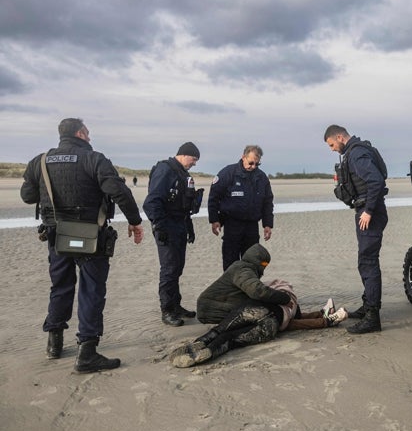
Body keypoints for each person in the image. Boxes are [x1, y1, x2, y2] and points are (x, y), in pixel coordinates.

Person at [20, 118, 144, 373]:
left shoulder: (40, 161)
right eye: (88, 133)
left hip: (57, 235)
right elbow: (119, 191)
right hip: (90, 235)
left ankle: (54, 343)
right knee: (91, 290)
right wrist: (135, 221)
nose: (90, 137)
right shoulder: (94, 159)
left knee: (61, 286)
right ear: (80, 133)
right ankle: (86, 351)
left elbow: (27, 196)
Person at [169, 244, 347, 368]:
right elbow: (258, 291)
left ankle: (203, 345)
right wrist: (285, 299)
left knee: (222, 332)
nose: (264, 268)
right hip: (252, 317)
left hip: (251, 314)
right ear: (256, 261)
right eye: (263, 264)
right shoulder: (243, 270)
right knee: (230, 338)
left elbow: (258, 293)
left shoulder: (243, 270)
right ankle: (325, 318)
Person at [324, 124, 388, 334]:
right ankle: (367, 306)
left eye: (332, 144)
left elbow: (376, 181)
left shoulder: (357, 154)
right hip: (368, 211)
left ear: (340, 137)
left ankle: (372, 317)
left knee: (368, 261)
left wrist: (368, 210)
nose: (332, 149)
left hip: (370, 213)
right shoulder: (358, 151)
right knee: (366, 261)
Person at [143, 142, 202, 326]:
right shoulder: (165, 170)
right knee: (169, 269)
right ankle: (167, 310)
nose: (194, 164)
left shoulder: (183, 174)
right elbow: (151, 202)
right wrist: (160, 227)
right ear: (184, 154)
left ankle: (176, 306)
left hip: (180, 225)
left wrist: (189, 229)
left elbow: (184, 206)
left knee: (177, 267)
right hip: (167, 226)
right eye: (193, 159)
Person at [208, 145, 274, 271]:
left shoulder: (262, 177)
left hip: (252, 226)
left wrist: (268, 225)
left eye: (257, 164)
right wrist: (214, 219)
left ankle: (249, 288)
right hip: (232, 224)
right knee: (231, 262)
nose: (253, 166)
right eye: (251, 163)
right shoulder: (228, 173)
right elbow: (214, 197)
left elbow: (267, 202)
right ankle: (231, 289)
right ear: (243, 157)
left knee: (252, 262)